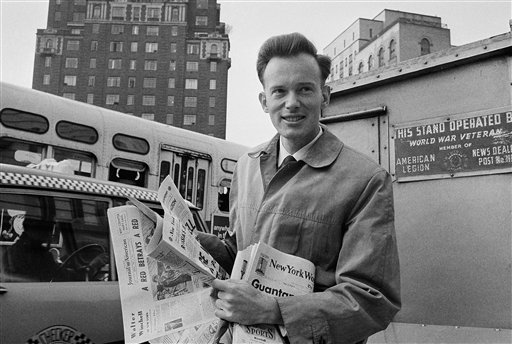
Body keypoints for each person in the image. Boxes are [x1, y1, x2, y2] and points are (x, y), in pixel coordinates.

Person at [197, 32, 401, 344]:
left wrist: (273, 309)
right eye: (279, 92)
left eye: (305, 89)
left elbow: (372, 299)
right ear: (265, 101)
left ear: (325, 95)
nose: (292, 103)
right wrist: (206, 248)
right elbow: (243, 254)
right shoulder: (246, 166)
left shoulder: (365, 180)